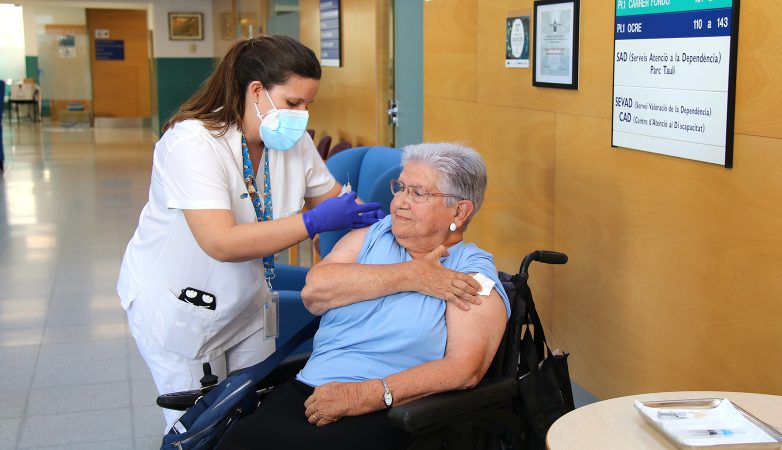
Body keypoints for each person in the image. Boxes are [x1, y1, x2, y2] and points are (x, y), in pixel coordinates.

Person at [116, 35, 384, 428]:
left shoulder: (291, 144)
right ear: (257, 91)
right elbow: (220, 242)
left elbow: (334, 202)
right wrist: (312, 222)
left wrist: (390, 221)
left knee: (250, 415)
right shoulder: (193, 143)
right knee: (198, 426)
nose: (302, 115)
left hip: (248, 301)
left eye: (308, 104)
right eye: (293, 103)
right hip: (181, 304)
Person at [219, 142, 510, 450]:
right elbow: (314, 292)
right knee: (238, 441)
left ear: (460, 211)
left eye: (418, 193)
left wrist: (362, 396)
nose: (399, 202)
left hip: (390, 407)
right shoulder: (373, 236)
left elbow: (464, 369)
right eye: (400, 187)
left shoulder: (471, 272)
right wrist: (409, 275)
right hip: (308, 390)